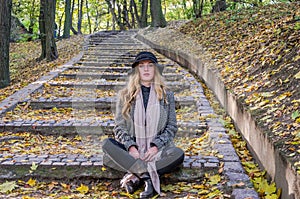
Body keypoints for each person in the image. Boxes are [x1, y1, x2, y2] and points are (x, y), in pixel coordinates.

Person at [102, 51, 185, 198]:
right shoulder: (124, 95)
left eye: (150, 65)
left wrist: (155, 146)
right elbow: (119, 127)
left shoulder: (167, 95)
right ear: (137, 71)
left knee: (178, 154)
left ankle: (137, 176)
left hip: (157, 151)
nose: (146, 69)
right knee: (107, 145)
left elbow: (171, 126)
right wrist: (131, 148)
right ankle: (148, 177)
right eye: (142, 66)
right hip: (132, 152)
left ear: (155, 70)